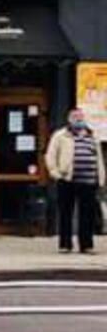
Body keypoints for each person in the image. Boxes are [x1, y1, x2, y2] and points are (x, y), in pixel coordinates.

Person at [45, 108, 102, 254]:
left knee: (87, 215)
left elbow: (98, 158)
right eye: (75, 116)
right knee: (65, 213)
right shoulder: (60, 135)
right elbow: (50, 155)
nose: (78, 119)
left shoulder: (92, 136)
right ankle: (65, 245)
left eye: (81, 116)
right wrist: (55, 173)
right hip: (67, 180)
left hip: (88, 181)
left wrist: (100, 177)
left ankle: (86, 245)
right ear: (69, 119)